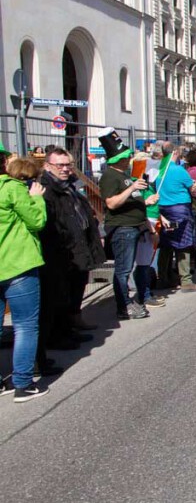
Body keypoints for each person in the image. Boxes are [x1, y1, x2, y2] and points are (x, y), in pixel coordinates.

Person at [37, 148, 105, 365]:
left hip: (77, 246)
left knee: (73, 289)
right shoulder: (46, 189)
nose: (65, 169)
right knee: (58, 295)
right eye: (60, 165)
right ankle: (57, 336)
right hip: (58, 250)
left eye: (68, 164)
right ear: (48, 166)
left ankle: (69, 329)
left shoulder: (70, 186)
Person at [0, 156, 50, 402]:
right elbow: (36, 221)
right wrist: (37, 198)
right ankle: (23, 383)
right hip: (17, 263)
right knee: (25, 326)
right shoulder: (12, 188)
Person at [98, 128, 153, 320]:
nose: (129, 158)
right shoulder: (110, 176)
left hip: (134, 226)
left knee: (127, 268)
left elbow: (130, 200)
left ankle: (128, 304)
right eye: (126, 156)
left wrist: (145, 202)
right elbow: (112, 203)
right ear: (118, 158)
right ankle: (124, 306)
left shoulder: (123, 175)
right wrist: (132, 188)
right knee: (123, 270)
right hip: (123, 228)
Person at [155, 142, 196, 292]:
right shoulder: (179, 170)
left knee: (166, 245)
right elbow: (193, 189)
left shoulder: (159, 169)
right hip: (180, 210)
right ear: (175, 153)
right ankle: (186, 281)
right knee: (183, 244)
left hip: (162, 210)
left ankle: (163, 277)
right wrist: (195, 187)